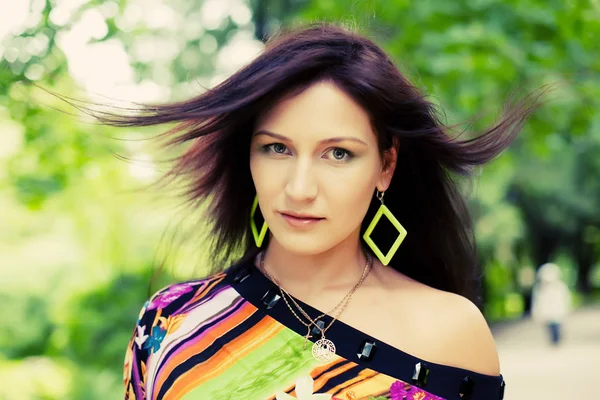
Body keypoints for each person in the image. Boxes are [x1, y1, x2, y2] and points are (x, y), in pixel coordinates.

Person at [117, 23, 542, 400]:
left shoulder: (451, 332)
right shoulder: (173, 324)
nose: (299, 189)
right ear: (249, 155)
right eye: (277, 148)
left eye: (338, 154)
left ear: (386, 166)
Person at [531, 262, 571, 346]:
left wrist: (566, 309)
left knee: (557, 328)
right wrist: (537, 313)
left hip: (557, 313)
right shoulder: (539, 289)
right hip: (547, 314)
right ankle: (553, 341)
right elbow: (537, 302)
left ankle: (558, 339)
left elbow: (565, 299)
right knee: (550, 329)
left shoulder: (560, 287)